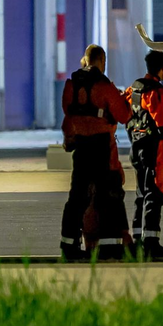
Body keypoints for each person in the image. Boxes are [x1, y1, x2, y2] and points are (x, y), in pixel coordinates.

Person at [60, 44, 133, 261]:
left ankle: (68, 246)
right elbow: (124, 115)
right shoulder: (104, 86)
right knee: (106, 197)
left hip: (81, 147)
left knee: (77, 198)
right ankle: (110, 247)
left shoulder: (71, 85)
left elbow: (68, 113)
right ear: (102, 61)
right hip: (101, 147)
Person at [124, 50, 163, 259]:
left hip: (136, 148)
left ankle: (137, 240)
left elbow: (124, 113)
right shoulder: (159, 93)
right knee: (154, 195)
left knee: (140, 195)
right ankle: (151, 243)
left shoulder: (134, 89)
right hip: (155, 151)